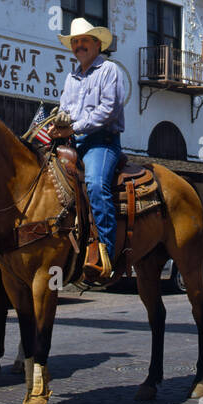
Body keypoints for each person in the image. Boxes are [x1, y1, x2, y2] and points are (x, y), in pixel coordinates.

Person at [51, 17, 125, 283]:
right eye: (75, 42)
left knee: (95, 184)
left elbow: (109, 110)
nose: (79, 45)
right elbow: (64, 110)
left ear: (96, 44)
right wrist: (58, 123)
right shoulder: (71, 78)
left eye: (84, 41)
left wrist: (74, 128)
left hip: (102, 142)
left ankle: (106, 252)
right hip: (74, 143)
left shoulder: (109, 70)